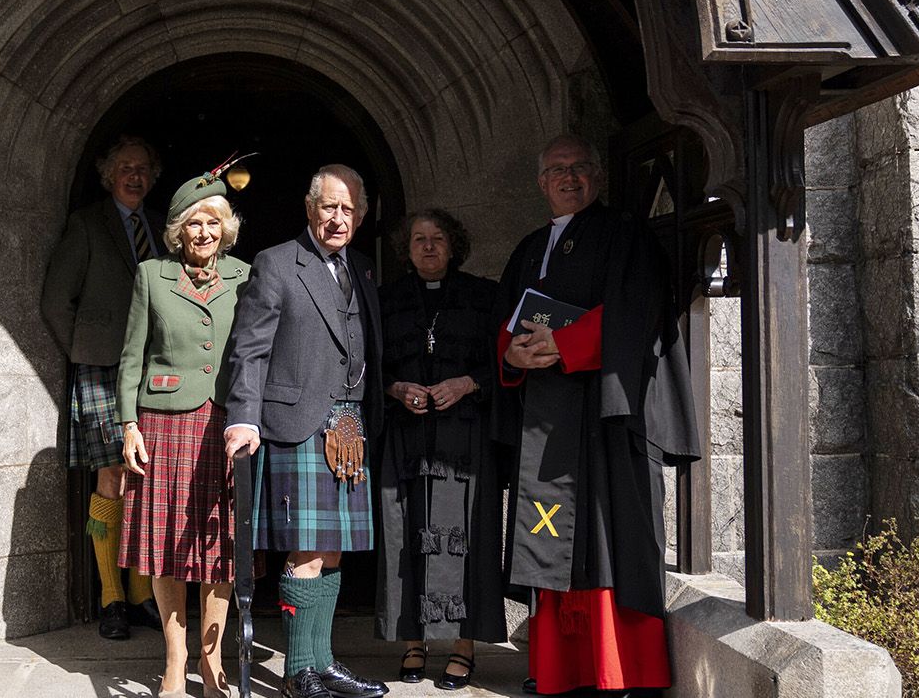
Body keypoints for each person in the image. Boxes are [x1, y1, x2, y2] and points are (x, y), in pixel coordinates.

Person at [494, 135, 699, 696]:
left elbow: (639, 307)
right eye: (557, 170)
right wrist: (510, 354)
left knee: (611, 544)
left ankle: (618, 671)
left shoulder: (625, 233)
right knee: (551, 542)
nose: (569, 177)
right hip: (548, 420)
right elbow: (505, 322)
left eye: (580, 168)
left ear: (598, 177)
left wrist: (567, 345)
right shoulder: (530, 246)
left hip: (608, 415)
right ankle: (559, 670)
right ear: (541, 183)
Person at [223, 164, 389, 698]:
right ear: (310, 208)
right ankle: (299, 672)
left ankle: (324, 662)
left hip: (350, 425)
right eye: (329, 207)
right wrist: (243, 416)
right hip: (295, 425)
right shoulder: (275, 263)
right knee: (306, 550)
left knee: (334, 548)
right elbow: (249, 347)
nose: (338, 218)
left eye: (348, 209)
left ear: (360, 217)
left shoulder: (362, 269)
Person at [117, 164, 251, 698]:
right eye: (194, 223)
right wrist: (128, 425)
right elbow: (131, 358)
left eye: (213, 222)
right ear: (177, 230)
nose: (204, 233)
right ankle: (174, 663)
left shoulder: (246, 275)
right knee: (167, 545)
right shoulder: (152, 276)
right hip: (164, 420)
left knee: (221, 544)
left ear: (226, 228)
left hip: (226, 423)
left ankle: (211, 658)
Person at [374, 209, 504, 691]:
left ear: (454, 245)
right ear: (406, 250)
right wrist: (394, 388)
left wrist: (467, 383)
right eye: (418, 240)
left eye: (438, 239)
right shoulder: (386, 301)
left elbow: (506, 366)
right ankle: (414, 642)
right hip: (406, 436)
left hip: (465, 437)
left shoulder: (484, 297)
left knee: (466, 538)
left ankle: (462, 647)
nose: (428, 247)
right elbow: (366, 364)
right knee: (406, 534)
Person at [41, 135, 165, 639]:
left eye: (143, 169)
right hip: (103, 369)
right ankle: (112, 596)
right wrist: (85, 349)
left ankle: (141, 596)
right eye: (125, 168)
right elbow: (55, 300)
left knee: (147, 478)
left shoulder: (161, 228)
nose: (134, 176)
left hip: (157, 371)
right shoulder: (87, 224)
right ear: (109, 174)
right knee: (111, 476)